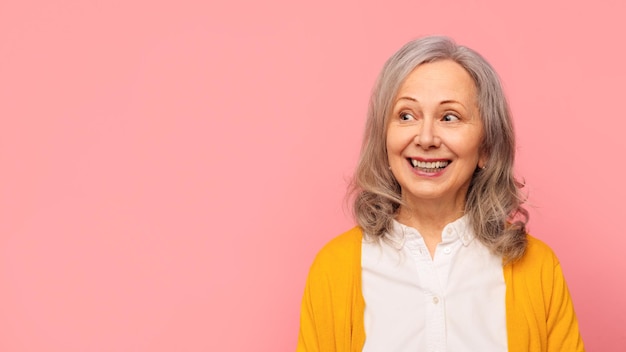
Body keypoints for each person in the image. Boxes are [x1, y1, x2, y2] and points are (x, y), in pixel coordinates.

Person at [296, 36, 584, 352]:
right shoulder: (333, 269)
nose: (427, 137)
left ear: (486, 146)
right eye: (406, 115)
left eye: (450, 117)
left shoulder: (539, 269)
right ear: (385, 139)